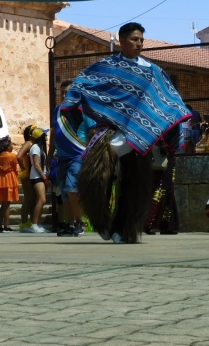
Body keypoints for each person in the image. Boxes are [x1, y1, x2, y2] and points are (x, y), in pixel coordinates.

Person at [63, 22, 189, 244]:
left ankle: (125, 228)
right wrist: (73, 103)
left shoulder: (153, 72)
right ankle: (101, 222)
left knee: (136, 184)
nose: (139, 43)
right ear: (121, 41)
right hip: (108, 131)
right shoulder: (107, 66)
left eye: (141, 39)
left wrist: (168, 131)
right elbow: (82, 84)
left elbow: (169, 100)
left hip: (139, 135)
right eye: (134, 39)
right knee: (94, 177)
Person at [48, 80, 86, 237]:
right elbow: (53, 132)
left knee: (72, 190)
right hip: (61, 157)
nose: (64, 95)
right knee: (64, 194)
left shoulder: (81, 109)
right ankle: (70, 225)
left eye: (67, 92)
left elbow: (91, 130)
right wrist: (49, 154)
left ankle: (79, 222)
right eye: (62, 92)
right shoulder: (57, 109)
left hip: (77, 156)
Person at [0, 135, 19, 232]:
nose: (12, 146)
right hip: (9, 179)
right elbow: (15, 169)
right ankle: (6, 225)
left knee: (3, 204)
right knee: (7, 204)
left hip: (0, 179)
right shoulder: (12, 156)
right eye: (11, 145)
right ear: (8, 146)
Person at [27, 128, 50, 233]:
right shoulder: (35, 147)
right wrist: (44, 177)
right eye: (44, 135)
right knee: (42, 199)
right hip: (37, 176)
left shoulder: (39, 147)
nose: (46, 136)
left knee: (39, 200)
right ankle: (34, 224)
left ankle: (38, 224)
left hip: (40, 176)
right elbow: (36, 164)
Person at [17, 125, 36, 232]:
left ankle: (33, 222)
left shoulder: (33, 144)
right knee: (28, 199)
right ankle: (24, 224)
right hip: (27, 175)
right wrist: (24, 170)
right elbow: (18, 156)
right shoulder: (28, 143)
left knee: (33, 199)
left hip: (31, 174)